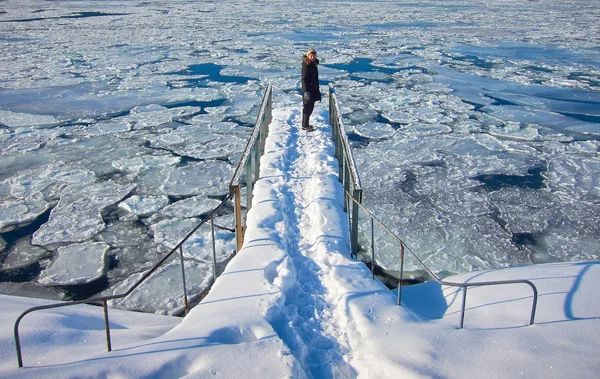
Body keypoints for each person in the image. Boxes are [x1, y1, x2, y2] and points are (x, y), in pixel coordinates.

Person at [301, 48, 321, 131]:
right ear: (308, 55)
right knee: (307, 107)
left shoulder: (313, 64)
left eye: (314, 56)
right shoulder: (306, 65)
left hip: (313, 89)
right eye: (311, 56)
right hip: (309, 90)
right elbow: (304, 79)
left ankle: (306, 124)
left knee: (311, 107)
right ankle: (305, 125)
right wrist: (306, 92)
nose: (312, 57)